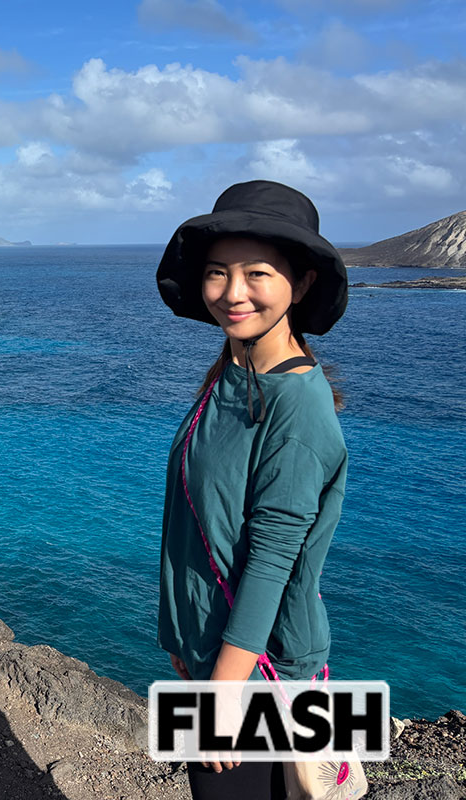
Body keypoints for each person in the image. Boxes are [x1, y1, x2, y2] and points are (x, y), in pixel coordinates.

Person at [155, 180, 350, 799]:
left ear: (304, 282)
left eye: (257, 273)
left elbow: (272, 561)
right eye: (217, 273)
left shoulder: (297, 409)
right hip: (217, 654)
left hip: (255, 675)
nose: (232, 293)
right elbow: (197, 525)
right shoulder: (235, 372)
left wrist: (222, 695)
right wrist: (180, 637)